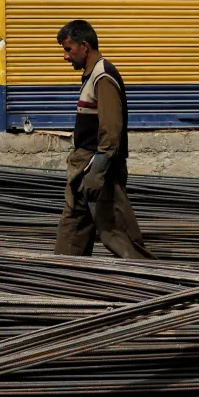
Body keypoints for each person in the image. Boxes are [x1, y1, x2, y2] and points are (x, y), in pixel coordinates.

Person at [53, 19, 155, 259]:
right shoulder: (92, 75)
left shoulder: (103, 76)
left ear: (84, 46)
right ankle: (66, 280)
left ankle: (151, 281)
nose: (65, 57)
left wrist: (97, 173)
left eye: (68, 49)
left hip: (98, 173)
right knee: (71, 237)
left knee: (120, 239)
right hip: (83, 172)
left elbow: (111, 131)